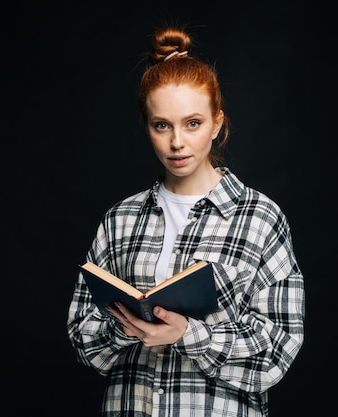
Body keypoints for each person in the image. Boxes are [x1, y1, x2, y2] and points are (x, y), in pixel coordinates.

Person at [67, 24, 305, 417]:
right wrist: (124, 327)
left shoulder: (260, 218)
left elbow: (278, 348)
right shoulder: (120, 220)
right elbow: (82, 338)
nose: (177, 142)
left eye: (192, 123)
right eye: (162, 125)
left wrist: (188, 334)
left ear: (216, 123)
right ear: (148, 128)